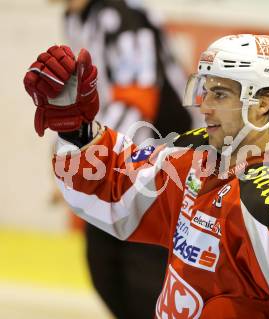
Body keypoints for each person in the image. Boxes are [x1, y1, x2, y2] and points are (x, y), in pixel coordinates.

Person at [24, 34, 269, 318]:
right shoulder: (195, 155)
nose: (205, 106)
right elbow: (117, 187)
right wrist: (77, 129)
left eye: (220, 94)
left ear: (263, 103)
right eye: (205, 90)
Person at [51, 0, 192, 318]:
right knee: (105, 270)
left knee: (141, 277)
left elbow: (138, 97)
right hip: (119, 156)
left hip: (157, 161)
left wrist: (87, 157)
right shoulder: (79, 17)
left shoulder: (121, 16)